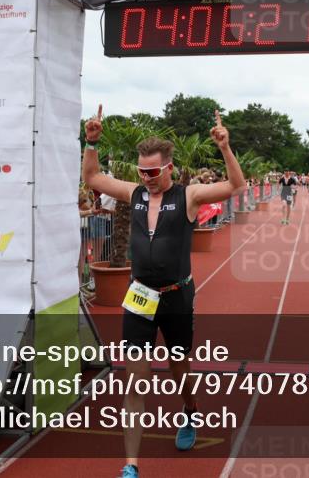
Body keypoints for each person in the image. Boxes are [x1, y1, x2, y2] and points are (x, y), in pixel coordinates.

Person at [82, 105, 245, 478]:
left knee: (178, 370)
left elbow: (237, 187)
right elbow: (92, 178)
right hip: (139, 297)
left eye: (153, 171)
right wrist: (90, 141)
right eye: (142, 171)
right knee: (135, 381)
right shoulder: (134, 193)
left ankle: (189, 412)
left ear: (169, 167)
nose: (147, 177)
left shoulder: (189, 196)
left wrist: (225, 148)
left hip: (176, 297)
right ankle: (131, 467)